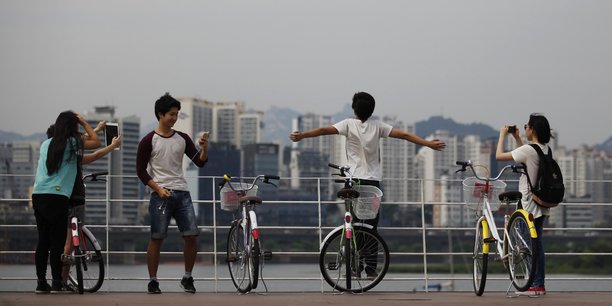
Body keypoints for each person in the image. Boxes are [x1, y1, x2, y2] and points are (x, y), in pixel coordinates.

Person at [289, 92, 446, 276]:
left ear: (354, 109)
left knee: (355, 222)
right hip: (372, 183)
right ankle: (371, 268)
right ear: (371, 111)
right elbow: (404, 135)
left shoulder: (348, 124)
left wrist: (302, 136)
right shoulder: (378, 126)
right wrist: (428, 143)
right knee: (371, 225)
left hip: (354, 181)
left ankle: (356, 262)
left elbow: (324, 130)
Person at [136, 93, 209, 294]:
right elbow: (141, 171)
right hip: (160, 194)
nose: (174, 118)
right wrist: (158, 189)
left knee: (192, 236)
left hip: (182, 193)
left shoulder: (183, 138)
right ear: (160, 115)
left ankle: (187, 277)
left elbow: (200, 161)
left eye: (176, 114)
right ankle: (153, 281)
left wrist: (204, 148)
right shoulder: (148, 140)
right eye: (171, 114)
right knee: (157, 238)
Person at [45, 121, 123, 288]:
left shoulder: (52, 156)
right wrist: (113, 146)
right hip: (75, 198)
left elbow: (81, 140)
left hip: (56, 199)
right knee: (69, 244)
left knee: (59, 241)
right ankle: (62, 282)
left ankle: (57, 281)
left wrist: (98, 129)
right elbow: (93, 155)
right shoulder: (71, 156)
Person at [32, 111, 100, 294]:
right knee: (57, 242)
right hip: (57, 196)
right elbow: (96, 141)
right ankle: (56, 282)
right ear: (72, 127)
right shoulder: (71, 143)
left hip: (38, 195)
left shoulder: (46, 144)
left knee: (43, 241)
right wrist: (84, 122)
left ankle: (40, 282)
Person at [496, 113, 552, 296]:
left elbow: (498, 156)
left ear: (533, 130)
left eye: (527, 126)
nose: (526, 128)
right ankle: (538, 284)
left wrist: (503, 134)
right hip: (542, 201)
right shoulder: (544, 149)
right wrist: (517, 137)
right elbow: (525, 157)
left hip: (528, 202)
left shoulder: (529, 150)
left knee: (530, 244)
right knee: (537, 243)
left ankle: (535, 285)